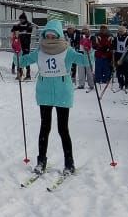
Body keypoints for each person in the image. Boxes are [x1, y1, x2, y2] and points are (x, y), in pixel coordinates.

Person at [18, 19, 89, 174]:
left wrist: (89, 51)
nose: (50, 39)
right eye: (47, 36)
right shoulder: (40, 51)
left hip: (63, 93)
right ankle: (41, 161)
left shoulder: (67, 50)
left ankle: (69, 163)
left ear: (58, 36)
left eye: (53, 36)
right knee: (45, 128)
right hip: (44, 93)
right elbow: (23, 61)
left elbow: (84, 61)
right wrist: (17, 53)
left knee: (63, 129)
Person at [14, 13, 34, 80]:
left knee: (26, 58)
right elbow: (15, 31)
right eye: (20, 19)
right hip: (20, 44)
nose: (21, 20)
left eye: (22, 19)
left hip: (26, 44)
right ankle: (19, 74)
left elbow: (28, 33)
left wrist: (22, 32)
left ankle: (28, 75)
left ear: (25, 19)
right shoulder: (19, 25)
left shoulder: (29, 24)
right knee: (20, 59)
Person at [114, 25, 128, 92]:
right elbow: (114, 46)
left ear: (125, 31)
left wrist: (127, 51)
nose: (121, 32)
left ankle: (127, 85)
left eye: (122, 31)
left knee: (127, 72)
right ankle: (121, 84)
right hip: (118, 55)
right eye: (119, 31)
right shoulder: (116, 38)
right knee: (119, 71)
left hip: (126, 56)